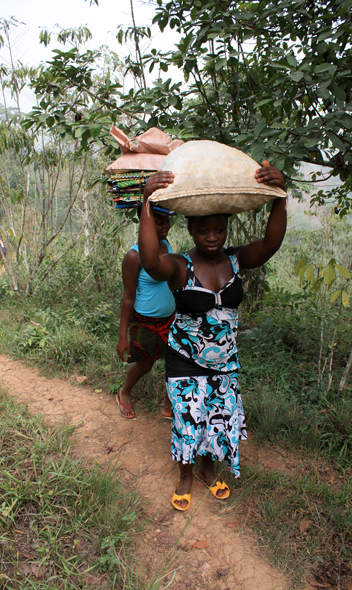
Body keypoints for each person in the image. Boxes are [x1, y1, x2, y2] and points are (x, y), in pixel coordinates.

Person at [138, 162, 287, 510]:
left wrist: (280, 196)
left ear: (225, 229)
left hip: (224, 362)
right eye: (203, 230)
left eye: (218, 229)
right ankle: (185, 476)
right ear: (191, 230)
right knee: (188, 420)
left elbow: (270, 243)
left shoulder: (236, 260)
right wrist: (146, 202)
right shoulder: (178, 266)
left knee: (218, 420)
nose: (211, 236)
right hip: (185, 360)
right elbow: (148, 261)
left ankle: (207, 471)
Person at [116, 207, 176, 419]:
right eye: (159, 222)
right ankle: (125, 391)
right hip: (145, 321)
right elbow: (128, 297)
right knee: (144, 363)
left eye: (167, 221)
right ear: (145, 225)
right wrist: (122, 337)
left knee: (175, 362)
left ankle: (170, 405)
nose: (166, 226)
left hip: (171, 319)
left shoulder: (165, 245)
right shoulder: (134, 256)